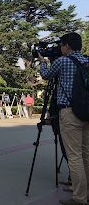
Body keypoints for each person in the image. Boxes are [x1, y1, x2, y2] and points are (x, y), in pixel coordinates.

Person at [38, 32, 89, 205]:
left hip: (70, 112)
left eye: (61, 45)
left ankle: (80, 198)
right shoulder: (87, 62)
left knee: (74, 156)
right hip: (87, 113)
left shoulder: (63, 61)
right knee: (86, 155)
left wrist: (42, 63)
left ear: (66, 46)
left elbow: (46, 76)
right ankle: (84, 192)